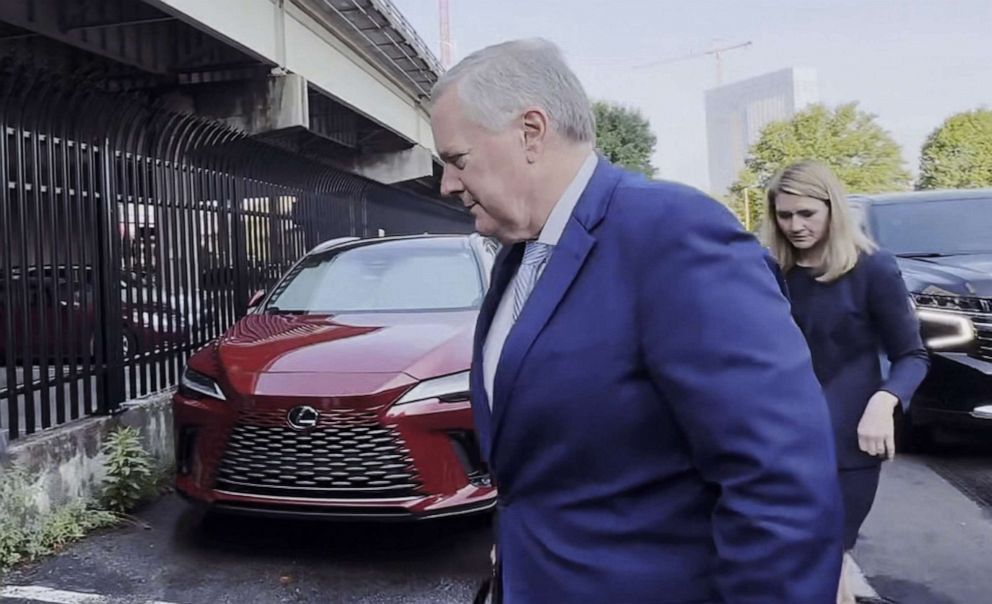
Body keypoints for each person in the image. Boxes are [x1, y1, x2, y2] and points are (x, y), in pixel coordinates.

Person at [431, 38, 843, 604]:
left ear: (531, 132)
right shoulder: (519, 254)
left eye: (457, 160)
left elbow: (779, 482)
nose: (447, 185)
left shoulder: (673, 233)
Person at [763, 161, 929, 604]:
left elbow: (912, 355)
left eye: (806, 214)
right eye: (784, 215)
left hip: (849, 445)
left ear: (831, 209)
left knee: (829, 555)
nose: (795, 226)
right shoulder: (769, 271)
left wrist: (885, 401)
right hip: (781, 441)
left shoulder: (873, 268)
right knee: (805, 564)